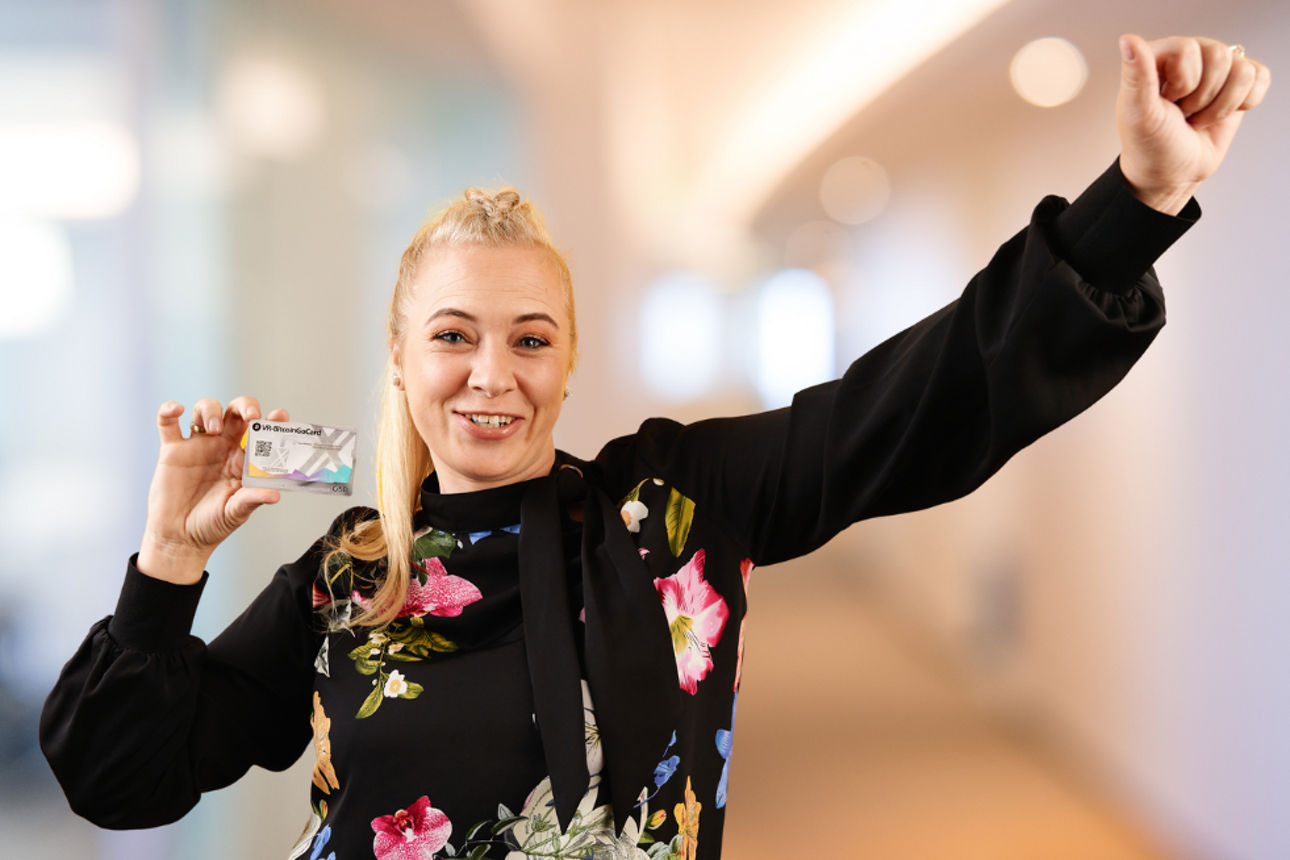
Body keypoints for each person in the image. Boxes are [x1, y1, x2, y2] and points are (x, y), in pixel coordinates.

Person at [40, 34, 1270, 860]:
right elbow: (122, 778)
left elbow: (919, 404)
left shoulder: (670, 505)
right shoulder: (349, 568)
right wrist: (164, 564)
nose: (491, 374)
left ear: (569, 360)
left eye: (530, 338)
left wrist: (1134, 205)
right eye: (454, 335)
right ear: (404, 361)